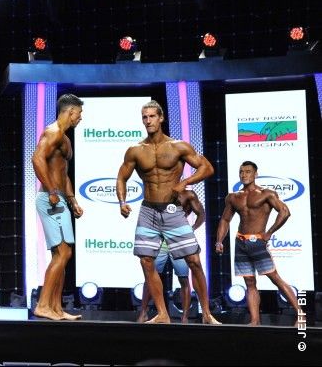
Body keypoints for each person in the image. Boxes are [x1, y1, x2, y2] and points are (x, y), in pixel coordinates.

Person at [117, 100, 219, 324]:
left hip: (173, 210)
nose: (148, 121)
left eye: (152, 116)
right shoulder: (135, 150)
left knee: (193, 260)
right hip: (148, 210)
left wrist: (186, 182)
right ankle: (162, 313)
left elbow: (207, 167)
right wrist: (122, 202)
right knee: (146, 261)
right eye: (144, 117)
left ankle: (206, 314)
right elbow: (121, 177)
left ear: (161, 118)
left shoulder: (178, 146)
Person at [215, 160, 304, 325]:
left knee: (275, 278)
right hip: (240, 242)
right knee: (249, 282)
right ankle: (255, 321)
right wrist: (219, 241)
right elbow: (225, 220)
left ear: (255, 174)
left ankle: (300, 314)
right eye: (241, 172)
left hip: (257, 242)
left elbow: (285, 212)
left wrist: (269, 232)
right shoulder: (233, 197)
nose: (244, 175)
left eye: (248, 171)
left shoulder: (266, 194)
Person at [30, 93, 84, 320]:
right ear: (70, 112)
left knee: (61, 254)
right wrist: (52, 191)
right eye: (79, 114)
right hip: (50, 198)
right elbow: (37, 159)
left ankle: (56, 308)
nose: (80, 118)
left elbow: (63, 174)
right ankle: (43, 305)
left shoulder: (65, 139)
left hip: (60, 199)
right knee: (63, 253)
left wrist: (72, 200)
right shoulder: (53, 132)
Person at [136, 189, 204, 323]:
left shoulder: (188, 195)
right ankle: (143, 312)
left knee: (183, 279)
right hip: (160, 240)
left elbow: (202, 214)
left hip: (178, 238)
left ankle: (184, 317)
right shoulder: (158, 192)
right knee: (150, 276)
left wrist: (192, 228)